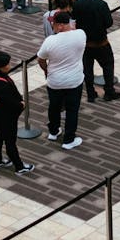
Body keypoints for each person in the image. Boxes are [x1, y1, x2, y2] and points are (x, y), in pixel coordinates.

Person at [38, 12, 87, 151]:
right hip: (74, 80)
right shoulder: (80, 35)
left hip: (55, 81)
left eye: (53, 23)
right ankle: (69, 139)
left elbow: (41, 59)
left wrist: (46, 70)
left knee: (54, 106)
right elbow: (76, 30)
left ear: (60, 25)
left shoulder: (50, 41)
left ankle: (53, 131)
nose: (51, 25)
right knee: (72, 110)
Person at [0, 51, 35, 174]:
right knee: (10, 140)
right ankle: (19, 167)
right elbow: (9, 100)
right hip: (5, 114)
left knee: (0, 135)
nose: (9, 66)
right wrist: (20, 104)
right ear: (1, 66)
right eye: (7, 64)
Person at [74, 0, 120, 102]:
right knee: (108, 66)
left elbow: (74, 21)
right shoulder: (102, 5)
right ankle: (109, 91)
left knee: (87, 69)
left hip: (85, 44)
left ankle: (90, 93)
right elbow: (109, 23)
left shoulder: (77, 4)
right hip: (101, 43)